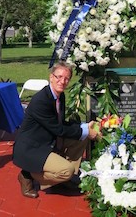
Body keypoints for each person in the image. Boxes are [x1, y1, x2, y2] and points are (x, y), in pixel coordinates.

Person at [13, 61, 101, 198]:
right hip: (32, 147)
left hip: (49, 139)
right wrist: (86, 131)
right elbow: (58, 129)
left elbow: (59, 123)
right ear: (51, 77)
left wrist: (84, 127)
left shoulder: (60, 96)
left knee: (82, 139)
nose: (62, 81)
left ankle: (62, 179)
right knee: (67, 170)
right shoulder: (41, 100)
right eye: (59, 77)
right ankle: (27, 174)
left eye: (66, 78)